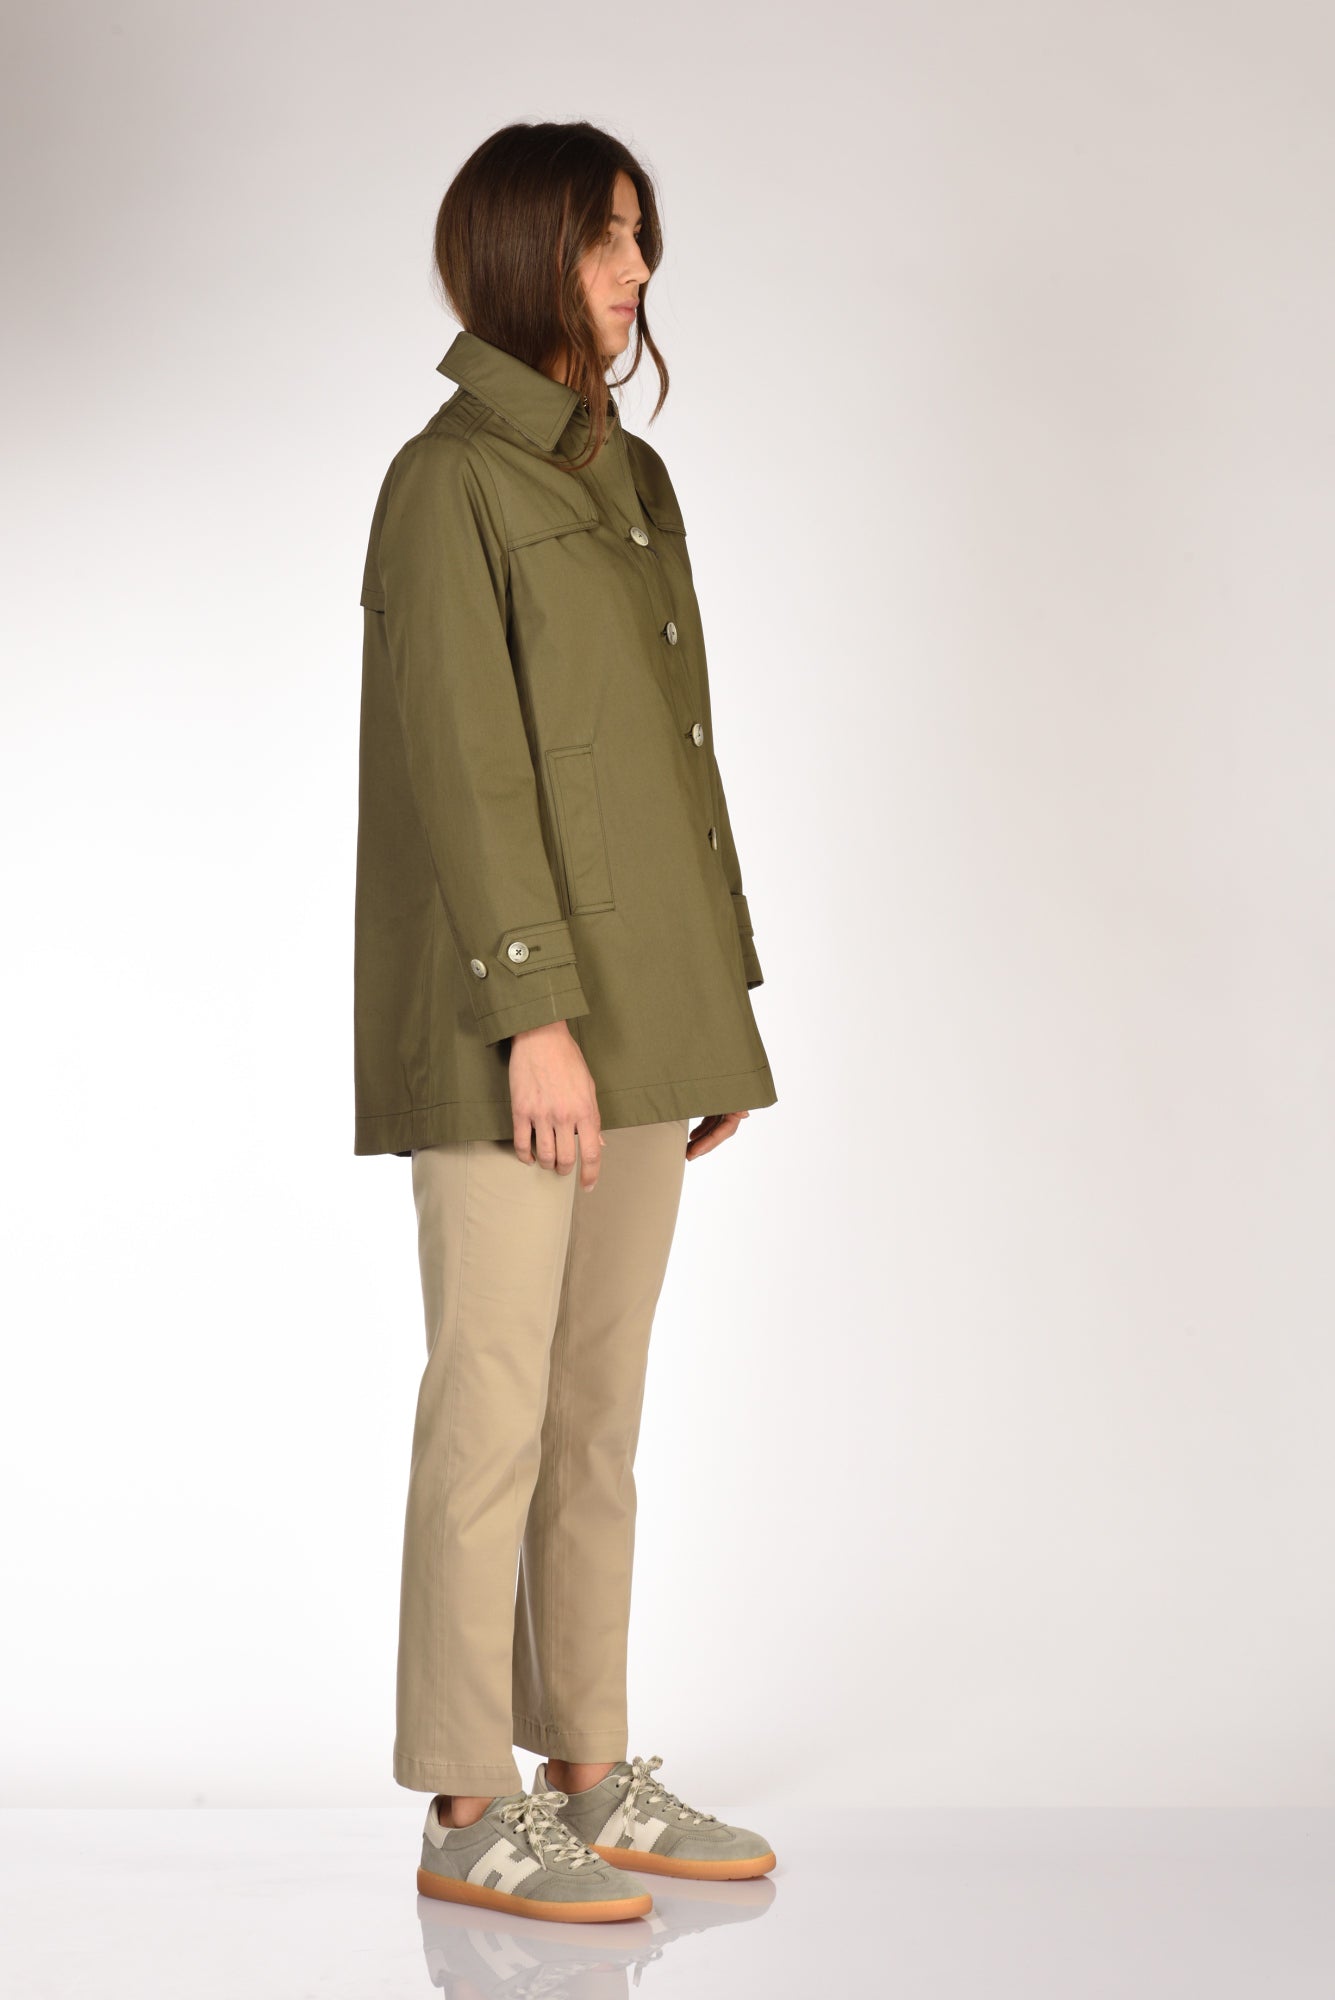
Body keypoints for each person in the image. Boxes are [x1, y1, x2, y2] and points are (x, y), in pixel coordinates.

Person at [353, 120, 779, 1923]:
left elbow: (675, 759)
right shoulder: (446, 480)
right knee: (495, 1407)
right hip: (507, 1028)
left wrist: (712, 1003)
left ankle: (585, 1771)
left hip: (640, 1016)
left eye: (642, 239)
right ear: (527, 248)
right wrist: (534, 1019)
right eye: (610, 238)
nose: (638, 271)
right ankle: (466, 1803)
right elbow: (467, 768)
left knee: (599, 1410)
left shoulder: (632, 476)